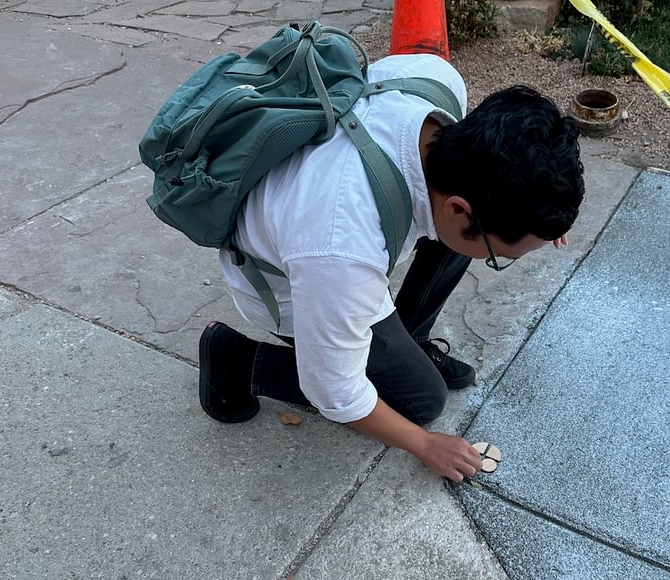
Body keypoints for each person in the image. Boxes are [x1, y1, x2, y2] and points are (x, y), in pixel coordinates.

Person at [198, 53, 584, 483]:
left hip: (314, 230)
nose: (503, 259)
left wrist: (541, 219)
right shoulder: (341, 251)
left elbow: (494, 197)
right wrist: (423, 443)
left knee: (472, 238)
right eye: (503, 258)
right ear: (457, 207)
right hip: (286, 283)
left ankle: (406, 343)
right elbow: (335, 392)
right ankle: (234, 359)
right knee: (421, 400)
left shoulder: (436, 83)